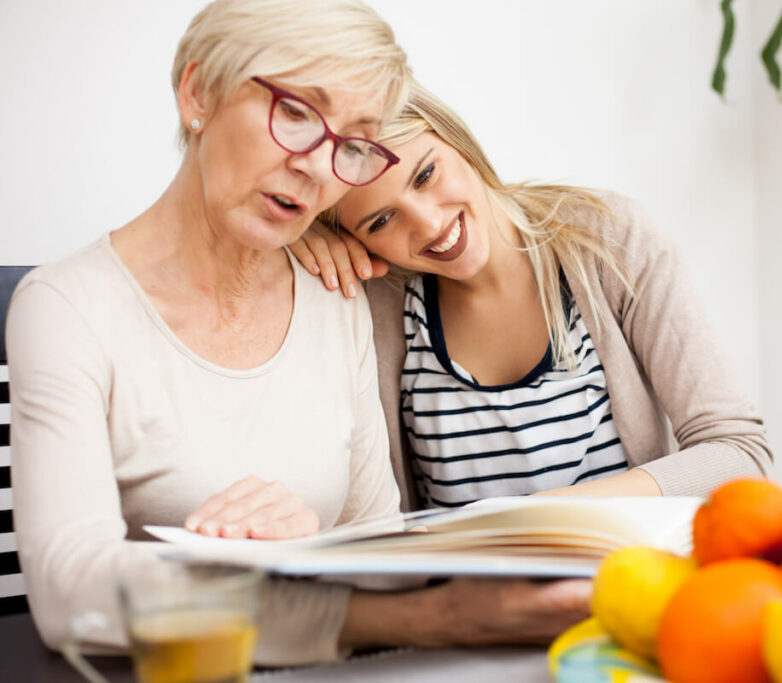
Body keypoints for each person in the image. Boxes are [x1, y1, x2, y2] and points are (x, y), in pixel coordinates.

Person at [6, 0, 587, 666]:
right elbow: (66, 589)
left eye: (353, 143)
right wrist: (263, 571)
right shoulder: (64, 306)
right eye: (298, 114)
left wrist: (307, 552)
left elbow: (380, 550)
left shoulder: (334, 295)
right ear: (198, 91)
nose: (319, 168)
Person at [291, 83, 773, 511]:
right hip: (468, 610)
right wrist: (293, 241)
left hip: (626, 595)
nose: (428, 222)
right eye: (380, 221)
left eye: (426, 175)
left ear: (456, 140)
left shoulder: (609, 242)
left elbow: (737, 453)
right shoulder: (375, 302)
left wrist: (548, 513)